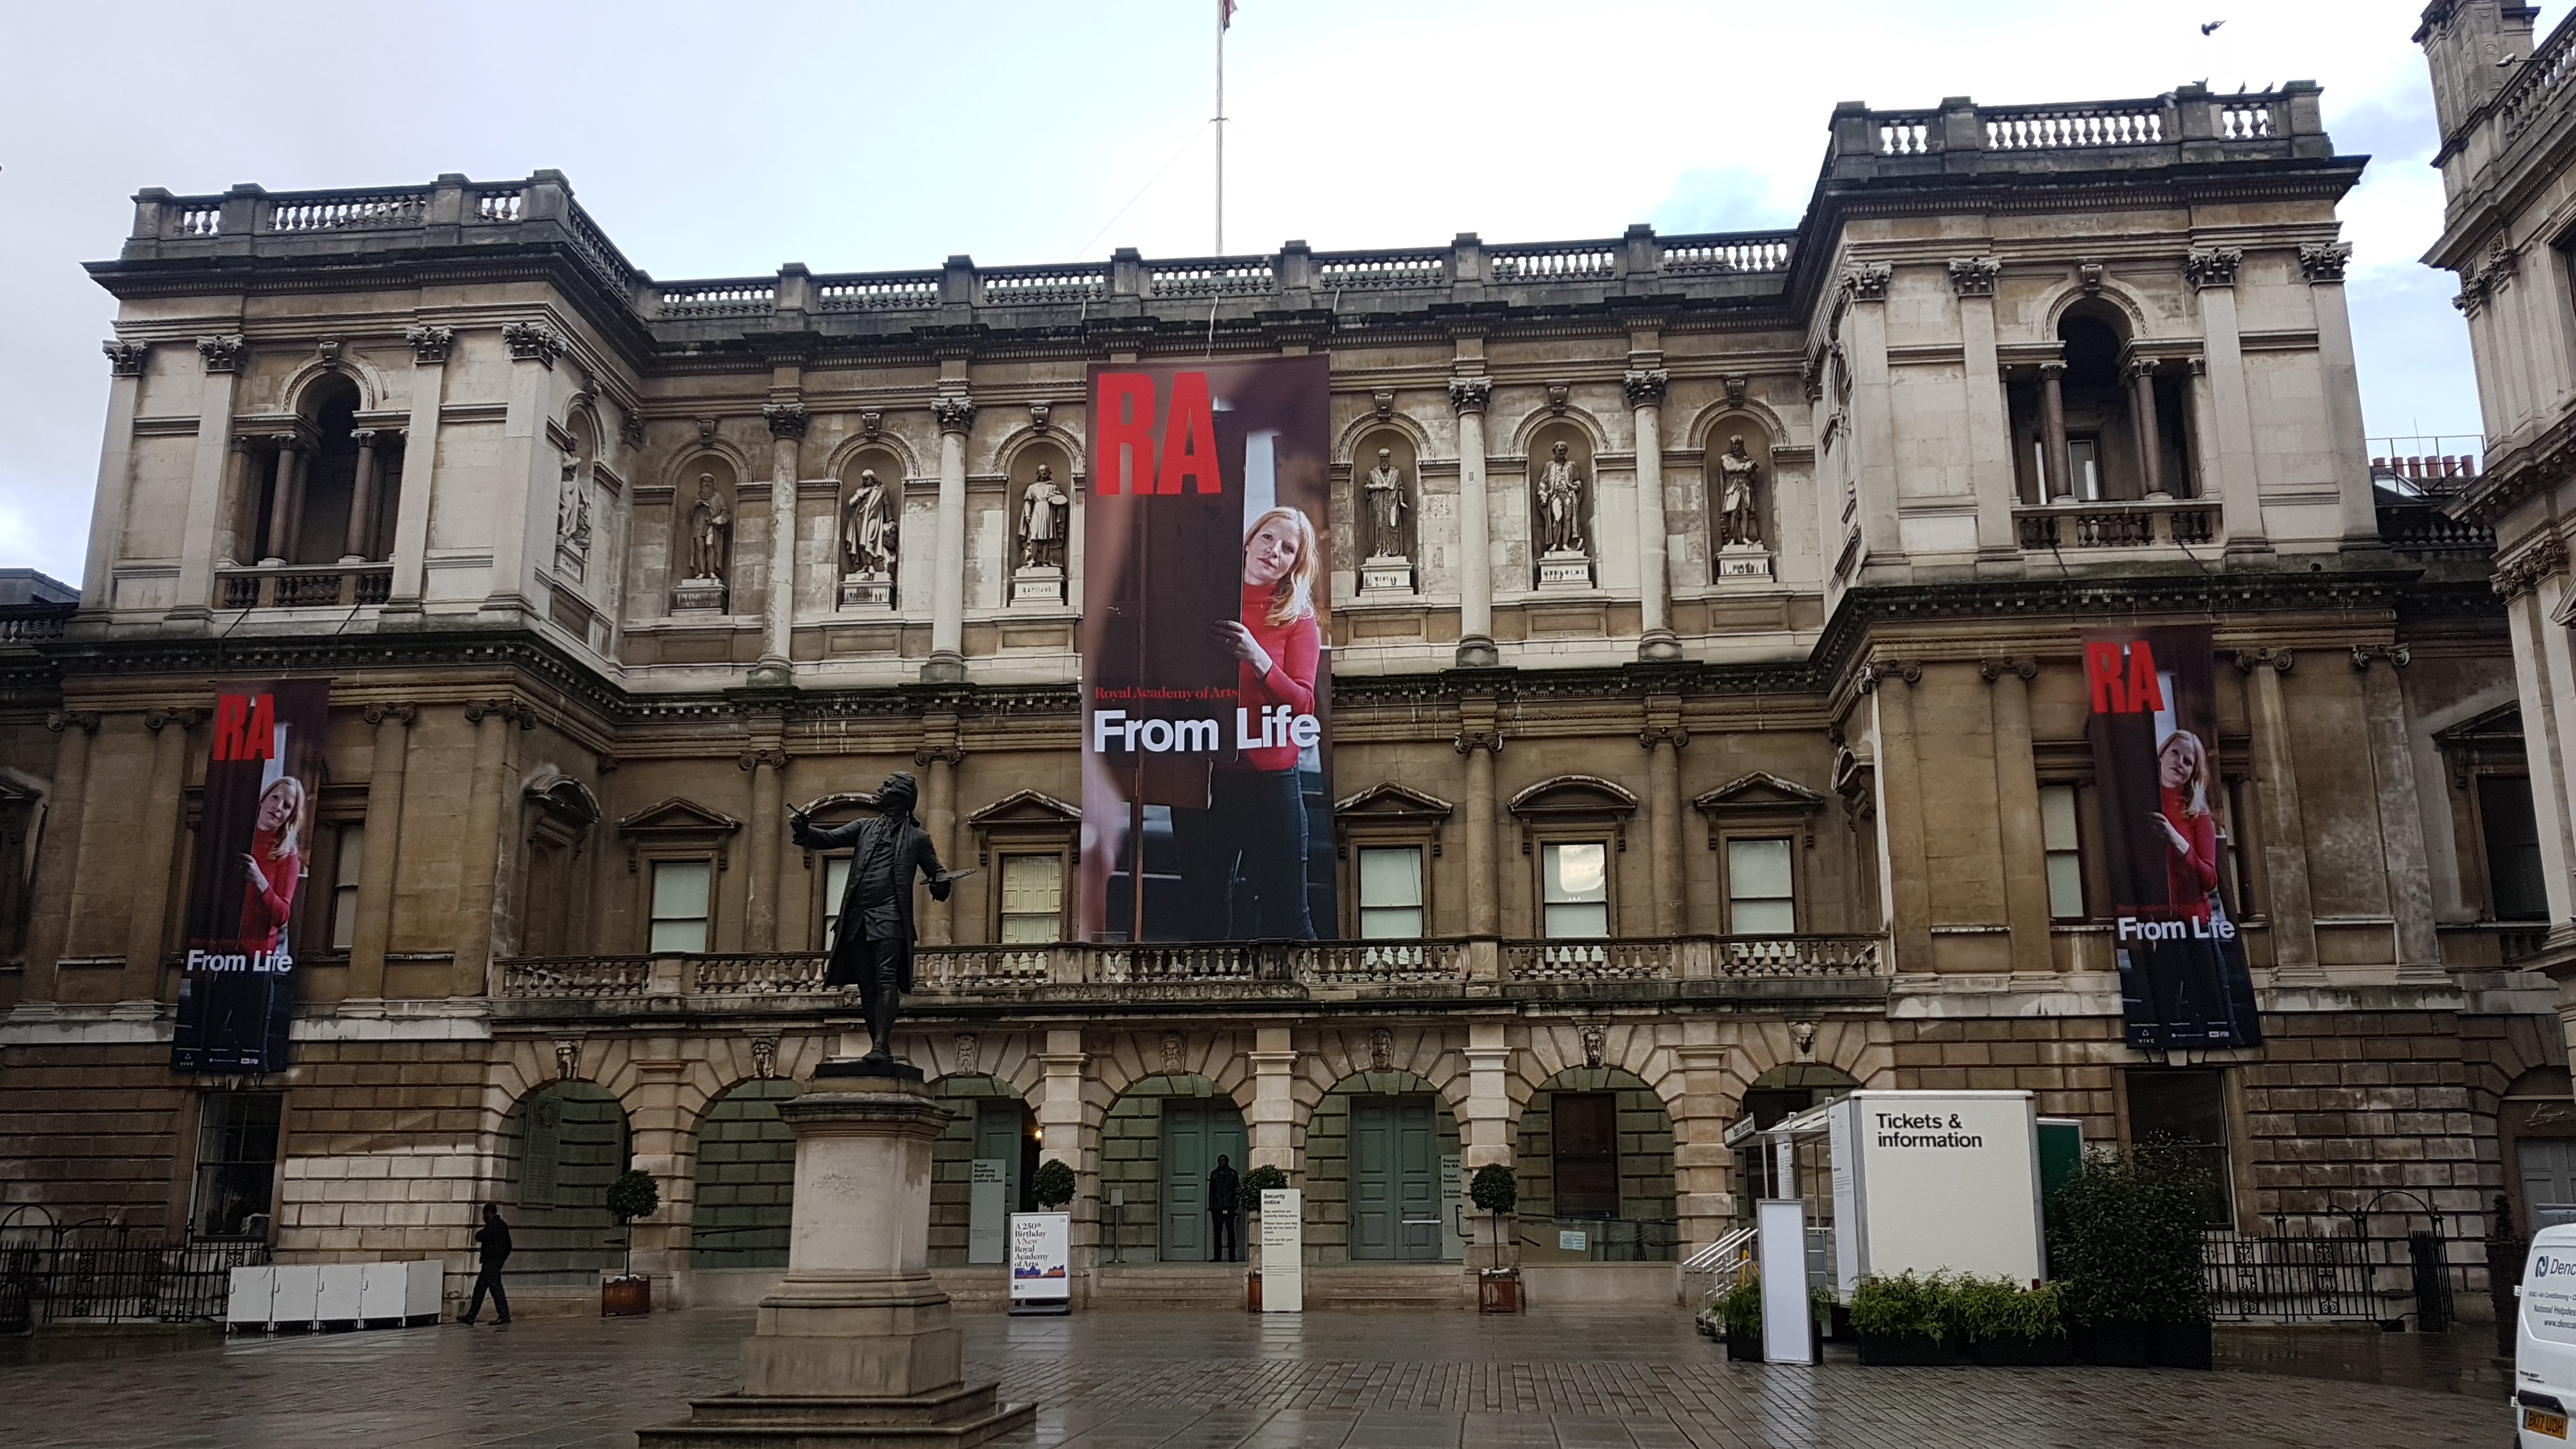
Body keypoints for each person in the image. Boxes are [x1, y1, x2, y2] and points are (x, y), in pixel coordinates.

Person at [1178, 507, 1323, 940]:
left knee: (1288, 919)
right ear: (1248, 540)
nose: (1274, 551)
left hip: (1270, 781)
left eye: (1288, 548)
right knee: (1204, 919)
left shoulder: (1298, 618)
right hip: (1203, 775)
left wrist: (1257, 658)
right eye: (1268, 538)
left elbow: (1304, 706)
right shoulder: (1203, 599)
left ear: (1295, 564)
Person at [791, 772, 958, 1066]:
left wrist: (941, 883)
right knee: (867, 985)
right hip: (858, 917)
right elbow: (829, 839)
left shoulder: (918, 839)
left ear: (901, 796)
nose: (880, 789)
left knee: (886, 979)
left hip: (891, 917)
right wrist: (806, 830)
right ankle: (878, 1046)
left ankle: (881, 1044)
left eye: (887, 786)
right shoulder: (864, 827)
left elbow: (937, 875)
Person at [2150, 729, 2221, 917]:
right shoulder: (2142, 801)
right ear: (2161, 755)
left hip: (2192, 923)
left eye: (2188, 761)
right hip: (2149, 923)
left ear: (2192, 774)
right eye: (2175, 753)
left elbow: (2209, 880)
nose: (2179, 762)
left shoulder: (2198, 812)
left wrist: (2175, 838)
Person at [239, 776, 306, 954]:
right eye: (275, 798)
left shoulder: (287, 853)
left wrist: (259, 881)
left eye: (286, 806)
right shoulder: (236, 835)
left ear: (290, 817)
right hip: (215, 949)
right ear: (263, 800)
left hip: (256, 955)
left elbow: (282, 916)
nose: (278, 807)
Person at [461, 1202, 512, 1325]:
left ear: (488, 1213)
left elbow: (482, 1236)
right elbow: (509, 1245)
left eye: (484, 1214)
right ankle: (471, 1316)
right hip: (494, 1261)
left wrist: (478, 1233)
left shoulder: (493, 1225)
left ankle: (504, 1316)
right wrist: (502, 1259)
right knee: (480, 1289)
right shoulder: (502, 1225)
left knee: (496, 1289)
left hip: (491, 1262)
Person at [1208, 1153, 1240, 1263]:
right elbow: (1211, 1192)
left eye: (1224, 1160)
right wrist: (1211, 1206)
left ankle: (1232, 1256)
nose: (1222, 1162)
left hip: (1229, 1206)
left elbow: (1237, 1191)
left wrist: (1236, 1206)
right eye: (1220, 1160)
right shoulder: (1214, 1174)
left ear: (1227, 1161)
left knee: (1231, 1232)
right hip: (1217, 1207)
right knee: (1217, 1233)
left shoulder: (1233, 1174)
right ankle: (1217, 1256)